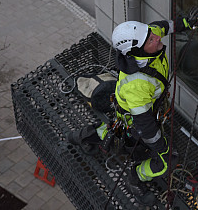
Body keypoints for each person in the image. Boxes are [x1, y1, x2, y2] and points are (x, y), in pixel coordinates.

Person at [68, 18, 189, 204]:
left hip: (129, 114)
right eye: (150, 39)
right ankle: (136, 176)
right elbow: (144, 124)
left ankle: (81, 136)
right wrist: (161, 146)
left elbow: (162, 27)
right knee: (167, 161)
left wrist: (186, 22)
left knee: (113, 131)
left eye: (152, 34)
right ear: (137, 51)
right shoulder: (138, 85)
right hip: (136, 119)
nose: (156, 37)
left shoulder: (146, 38)